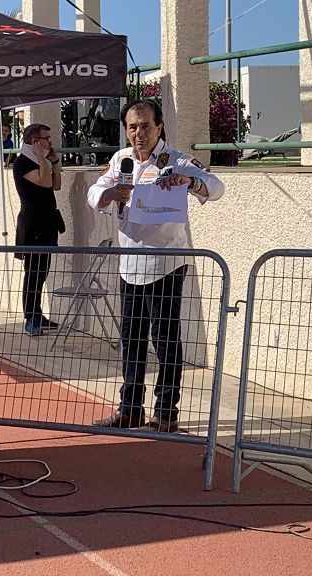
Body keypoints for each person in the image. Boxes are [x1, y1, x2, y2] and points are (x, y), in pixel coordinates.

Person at [87, 99, 224, 433]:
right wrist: (110, 194)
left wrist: (190, 183)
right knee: (131, 340)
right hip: (128, 263)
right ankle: (130, 409)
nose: (139, 133)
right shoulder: (120, 160)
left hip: (165, 264)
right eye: (132, 127)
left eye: (145, 126)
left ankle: (166, 413)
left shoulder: (176, 161)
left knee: (165, 340)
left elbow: (217, 187)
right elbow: (94, 192)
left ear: (159, 127)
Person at [13, 123, 65, 336]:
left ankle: (38, 314)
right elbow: (43, 182)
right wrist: (43, 158)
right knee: (33, 273)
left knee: (42, 271)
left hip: (47, 223)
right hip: (33, 224)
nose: (50, 142)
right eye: (45, 139)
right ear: (34, 142)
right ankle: (30, 317)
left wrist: (55, 162)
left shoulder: (39, 161)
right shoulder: (23, 162)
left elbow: (56, 184)